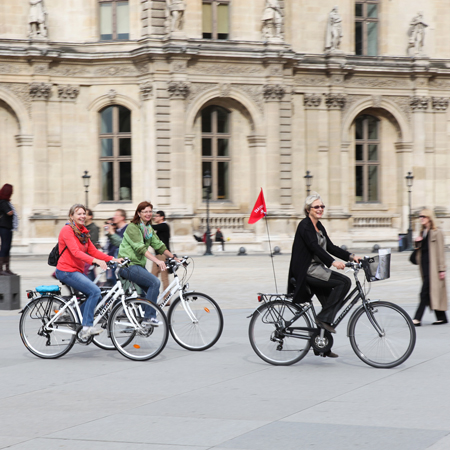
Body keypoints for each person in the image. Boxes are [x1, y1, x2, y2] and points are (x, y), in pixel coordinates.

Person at [287, 193, 361, 358]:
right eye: (316, 207)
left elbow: (331, 247)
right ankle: (322, 319)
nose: (320, 209)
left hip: (317, 268)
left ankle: (322, 346)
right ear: (308, 210)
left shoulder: (319, 226)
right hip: (306, 269)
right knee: (343, 282)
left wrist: (351, 256)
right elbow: (314, 247)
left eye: (322, 206)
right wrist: (332, 262)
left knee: (329, 305)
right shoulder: (304, 226)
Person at [55, 204, 122, 338]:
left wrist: (113, 259)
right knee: (95, 291)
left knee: (97, 295)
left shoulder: (83, 232)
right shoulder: (67, 230)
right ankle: (86, 327)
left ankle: (77, 320)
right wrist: (95, 261)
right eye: (79, 213)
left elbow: (93, 251)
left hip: (77, 271)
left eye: (84, 213)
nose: (82, 216)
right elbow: (75, 252)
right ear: (71, 216)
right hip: (66, 271)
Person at [118, 201, 179, 326]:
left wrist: (174, 257)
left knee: (152, 291)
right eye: (145, 211)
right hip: (128, 265)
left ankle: (139, 321)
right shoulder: (133, 227)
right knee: (155, 282)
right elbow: (140, 248)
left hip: (138, 266)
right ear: (139, 213)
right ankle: (148, 318)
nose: (148, 214)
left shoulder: (147, 228)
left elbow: (159, 245)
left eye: (150, 211)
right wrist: (157, 260)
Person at [411, 209, 448, 326]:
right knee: (432, 292)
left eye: (423, 216)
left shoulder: (437, 232)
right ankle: (442, 317)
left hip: (434, 269)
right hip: (425, 268)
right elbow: (420, 253)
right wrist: (417, 244)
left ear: (429, 218)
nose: (421, 218)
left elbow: (441, 252)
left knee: (424, 293)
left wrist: (442, 269)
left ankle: (417, 318)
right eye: (420, 216)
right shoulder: (423, 233)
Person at [151, 210, 172, 301]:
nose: (155, 217)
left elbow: (152, 227)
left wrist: (145, 222)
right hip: (157, 256)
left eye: (156, 216)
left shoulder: (164, 225)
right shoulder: (161, 227)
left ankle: (167, 299)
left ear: (162, 217)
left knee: (164, 278)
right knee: (152, 277)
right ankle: (152, 298)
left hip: (163, 256)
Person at [104, 209, 128, 285]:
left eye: (116, 215)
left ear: (122, 218)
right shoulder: (117, 229)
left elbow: (122, 243)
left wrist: (112, 233)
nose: (114, 217)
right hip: (113, 261)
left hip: (122, 263)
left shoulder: (128, 228)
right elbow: (112, 244)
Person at [0, 184, 18, 276]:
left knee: (7, 248)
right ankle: (1, 269)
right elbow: (8, 212)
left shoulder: (6, 202)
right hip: (4, 227)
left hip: (8, 227)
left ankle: (7, 268)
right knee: (5, 247)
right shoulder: (3, 202)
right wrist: (11, 212)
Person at [84, 209, 100, 281]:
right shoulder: (84, 227)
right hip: (84, 258)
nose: (83, 216)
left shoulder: (93, 228)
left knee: (90, 279)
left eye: (85, 214)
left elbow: (92, 245)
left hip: (88, 258)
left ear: (90, 216)